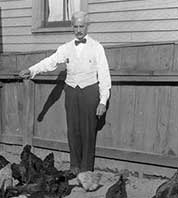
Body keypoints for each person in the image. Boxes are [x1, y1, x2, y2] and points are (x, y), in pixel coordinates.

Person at [19, 11, 111, 175]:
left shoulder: (97, 47)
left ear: (87, 26)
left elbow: (104, 75)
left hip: (90, 91)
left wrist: (103, 101)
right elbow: (50, 62)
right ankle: (74, 166)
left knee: (88, 130)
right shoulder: (66, 48)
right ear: (72, 27)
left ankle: (86, 168)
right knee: (73, 129)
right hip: (71, 91)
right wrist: (32, 70)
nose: (78, 30)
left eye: (81, 26)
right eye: (75, 26)